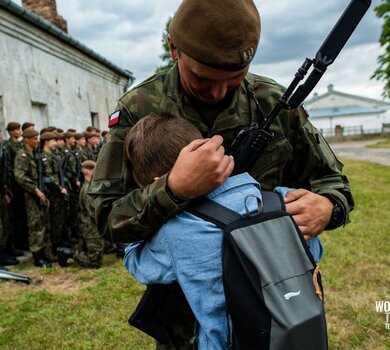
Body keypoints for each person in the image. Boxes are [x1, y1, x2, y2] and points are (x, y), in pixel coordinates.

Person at [89, 0, 354, 348]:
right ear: (174, 49)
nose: (217, 92)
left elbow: (333, 182)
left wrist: (327, 208)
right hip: (189, 320)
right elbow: (104, 216)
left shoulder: (274, 101)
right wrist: (172, 189)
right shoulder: (140, 109)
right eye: (202, 78)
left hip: (278, 305)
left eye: (234, 79)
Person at [122, 113, 323, 348]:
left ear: (158, 183)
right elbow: (314, 253)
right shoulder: (284, 200)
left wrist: (146, 218)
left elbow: (138, 266)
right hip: (296, 335)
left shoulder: (173, 233)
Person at [14, 129, 52, 268]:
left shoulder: (34, 154)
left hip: (39, 191)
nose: (37, 141)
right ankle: (37, 255)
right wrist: (35, 190)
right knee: (35, 224)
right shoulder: (22, 155)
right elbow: (20, 176)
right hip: (31, 194)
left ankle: (43, 252)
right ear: (27, 140)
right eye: (35, 138)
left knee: (42, 222)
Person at [57, 160, 104, 268]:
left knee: (101, 249)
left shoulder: (91, 186)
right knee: (95, 263)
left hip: (92, 225)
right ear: (88, 173)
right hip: (91, 227)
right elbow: (92, 212)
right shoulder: (88, 190)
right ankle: (67, 253)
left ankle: (85, 249)